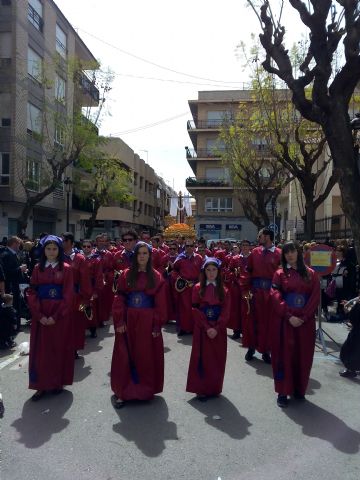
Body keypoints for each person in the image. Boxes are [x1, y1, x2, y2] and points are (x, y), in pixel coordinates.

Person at [111, 242, 167, 408]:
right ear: (134, 256)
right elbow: (119, 298)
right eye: (139, 253)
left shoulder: (156, 276)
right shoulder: (126, 274)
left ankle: (144, 390)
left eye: (145, 253)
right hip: (129, 318)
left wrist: (157, 325)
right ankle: (123, 392)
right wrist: (119, 320)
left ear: (149, 256)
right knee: (125, 354)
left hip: (147, 321)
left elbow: (161, 303)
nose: (142, 256)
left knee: (145, 355)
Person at [270, 241, 320, 408]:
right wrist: (288, 315)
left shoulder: (311, 274)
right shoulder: (279, 274)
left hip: (305, 323)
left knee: (303, 355)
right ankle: (283, 392)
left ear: (299, 252)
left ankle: (299, 389)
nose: (290, 255)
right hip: (285, 321)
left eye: (292, 251)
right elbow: (275, 295)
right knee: (284, 356)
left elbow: (314, 298)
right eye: (286, 252)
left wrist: (304, 317)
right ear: (283, 256)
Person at [26, 235, 74, 401]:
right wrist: (39, 315)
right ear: (43, 250)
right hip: (41, 314)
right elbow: (31, 292)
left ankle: (56, 382)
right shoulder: (38, 268)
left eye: (54, 249)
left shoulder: (66, 269)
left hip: (59, 316)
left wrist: (55, 316)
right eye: (48, 249)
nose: (51, 252)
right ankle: (40, 385)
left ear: (59, 251)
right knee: (40, 351)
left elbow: (68, 295)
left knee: (58, 349)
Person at [186, 257, 230, 400]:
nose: (211, 273)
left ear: (218, 271)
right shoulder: (198, 288)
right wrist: (206, 327)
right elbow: (195, 309)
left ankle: (214, 387)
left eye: (214, 270)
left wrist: (217, 328)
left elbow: (226, 311)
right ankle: (202, 388)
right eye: (208, 270)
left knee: (217, 359)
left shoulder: (224, 290)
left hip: (218, 329)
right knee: (202, 358)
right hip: (202, 328)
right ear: (204, 272)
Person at [246, 228, 282, 363]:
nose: (258, 238)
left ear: (267, 237)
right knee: (253, 321)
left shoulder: (279, 253)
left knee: (268, 323)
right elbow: (248, 271)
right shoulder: (255, 252)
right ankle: (251, 348)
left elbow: (282, 275)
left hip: (271, 294)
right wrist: (246, 289)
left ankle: (266, 351)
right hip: (255, 293)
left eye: (260, 236)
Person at [172, 239, 202, 335]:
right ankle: (183, 328)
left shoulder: (199, 258)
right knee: (183, 308)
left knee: (195, 308)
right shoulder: (180, 258)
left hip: (195, 286)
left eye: (191, 246)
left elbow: (202, 273)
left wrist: (201, 284)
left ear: (194, 247)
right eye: (187, 246)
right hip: (183, 287)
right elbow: (173, 271)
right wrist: (180, 280)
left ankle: (194, 328)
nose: (189, 248)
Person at [0, 236, 28, 330]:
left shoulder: (13, 254)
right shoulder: (6, 254)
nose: (19, 246)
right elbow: (6, 272)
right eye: (18, 244)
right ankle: (12, 328)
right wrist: (19, 269)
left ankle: (16, 326)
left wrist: (21, 270)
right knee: (12, 307)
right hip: (10, 286)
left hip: (16, 285)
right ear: (14, 243)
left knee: (17, 305)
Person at [81, 240, 104, 338]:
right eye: (84, 246)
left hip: (91, 287)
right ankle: (81, 329)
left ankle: (93, 329)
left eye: (88, 246)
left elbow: (99, 276)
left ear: (91, 247)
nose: (86, 248)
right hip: (80, 288)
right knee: (79, 309)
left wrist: (96, 291)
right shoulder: (78, 258)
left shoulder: (96, 260)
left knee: (90, 309)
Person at [339, 298, 360, 378]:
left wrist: (348, 308)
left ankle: (351, 370)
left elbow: (353, 318)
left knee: (348, 351)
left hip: (357, 333)